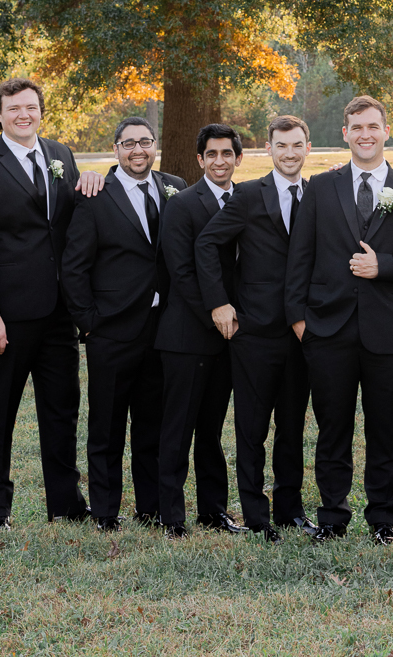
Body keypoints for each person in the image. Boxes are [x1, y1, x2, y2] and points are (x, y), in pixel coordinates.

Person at [285, 95, 393, 544]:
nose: (365, 134)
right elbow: (300, 255)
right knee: (332, 429)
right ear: (345, 134)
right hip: (326, 329)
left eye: (373, 126)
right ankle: (332, 517)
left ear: (386, 131)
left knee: (385, 430)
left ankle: (382, 520)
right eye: (357, 127)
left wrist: (383, 266)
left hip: (388, 332)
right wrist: (299, 320)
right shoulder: (321, 187)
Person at [0, 77, 105, 530]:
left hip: (58, 312)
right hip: (4, 316)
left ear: (41, 111)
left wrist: (92, 178)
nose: (24, 114)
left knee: (61, 410)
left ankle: (66, 504)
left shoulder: (61, 155)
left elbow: (72, 218)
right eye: (14, 108)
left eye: (31, 107)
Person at [195, 115, 316, 543]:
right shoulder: (247, 195)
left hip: (302, 333)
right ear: (269, 149)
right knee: (251, 430)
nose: (289, 153)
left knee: (292, 428)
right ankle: (257, 516)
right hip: (255, 333)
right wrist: (218, 302)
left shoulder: (317, 194)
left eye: (297, 145)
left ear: (307, 148)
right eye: (281, 145)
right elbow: (207, 243)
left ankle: (290, 510)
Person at [61, 116, 186, 531]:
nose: (138, 150)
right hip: (111, 331)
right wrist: (89, 323)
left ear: (155, 146)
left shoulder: (174, 187)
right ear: (116, 149)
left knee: (153, 425)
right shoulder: (96, 195)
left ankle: (150, 508)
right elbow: (74, 267)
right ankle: (105, 512)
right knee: (107, 427)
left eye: (145, 142)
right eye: (129, 143)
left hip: (162, 329)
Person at [154, 123, 246, 538]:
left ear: (238, 158)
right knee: (178, 428)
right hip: (188, 336)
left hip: (231, 337)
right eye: (211, 154)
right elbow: (181, 271)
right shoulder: (183, 205)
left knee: (211, 429)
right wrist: (216, 311)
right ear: (199, 159)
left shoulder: (247, 200)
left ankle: (213, 511)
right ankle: (171, 516)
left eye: (226, 153)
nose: (219, 161)